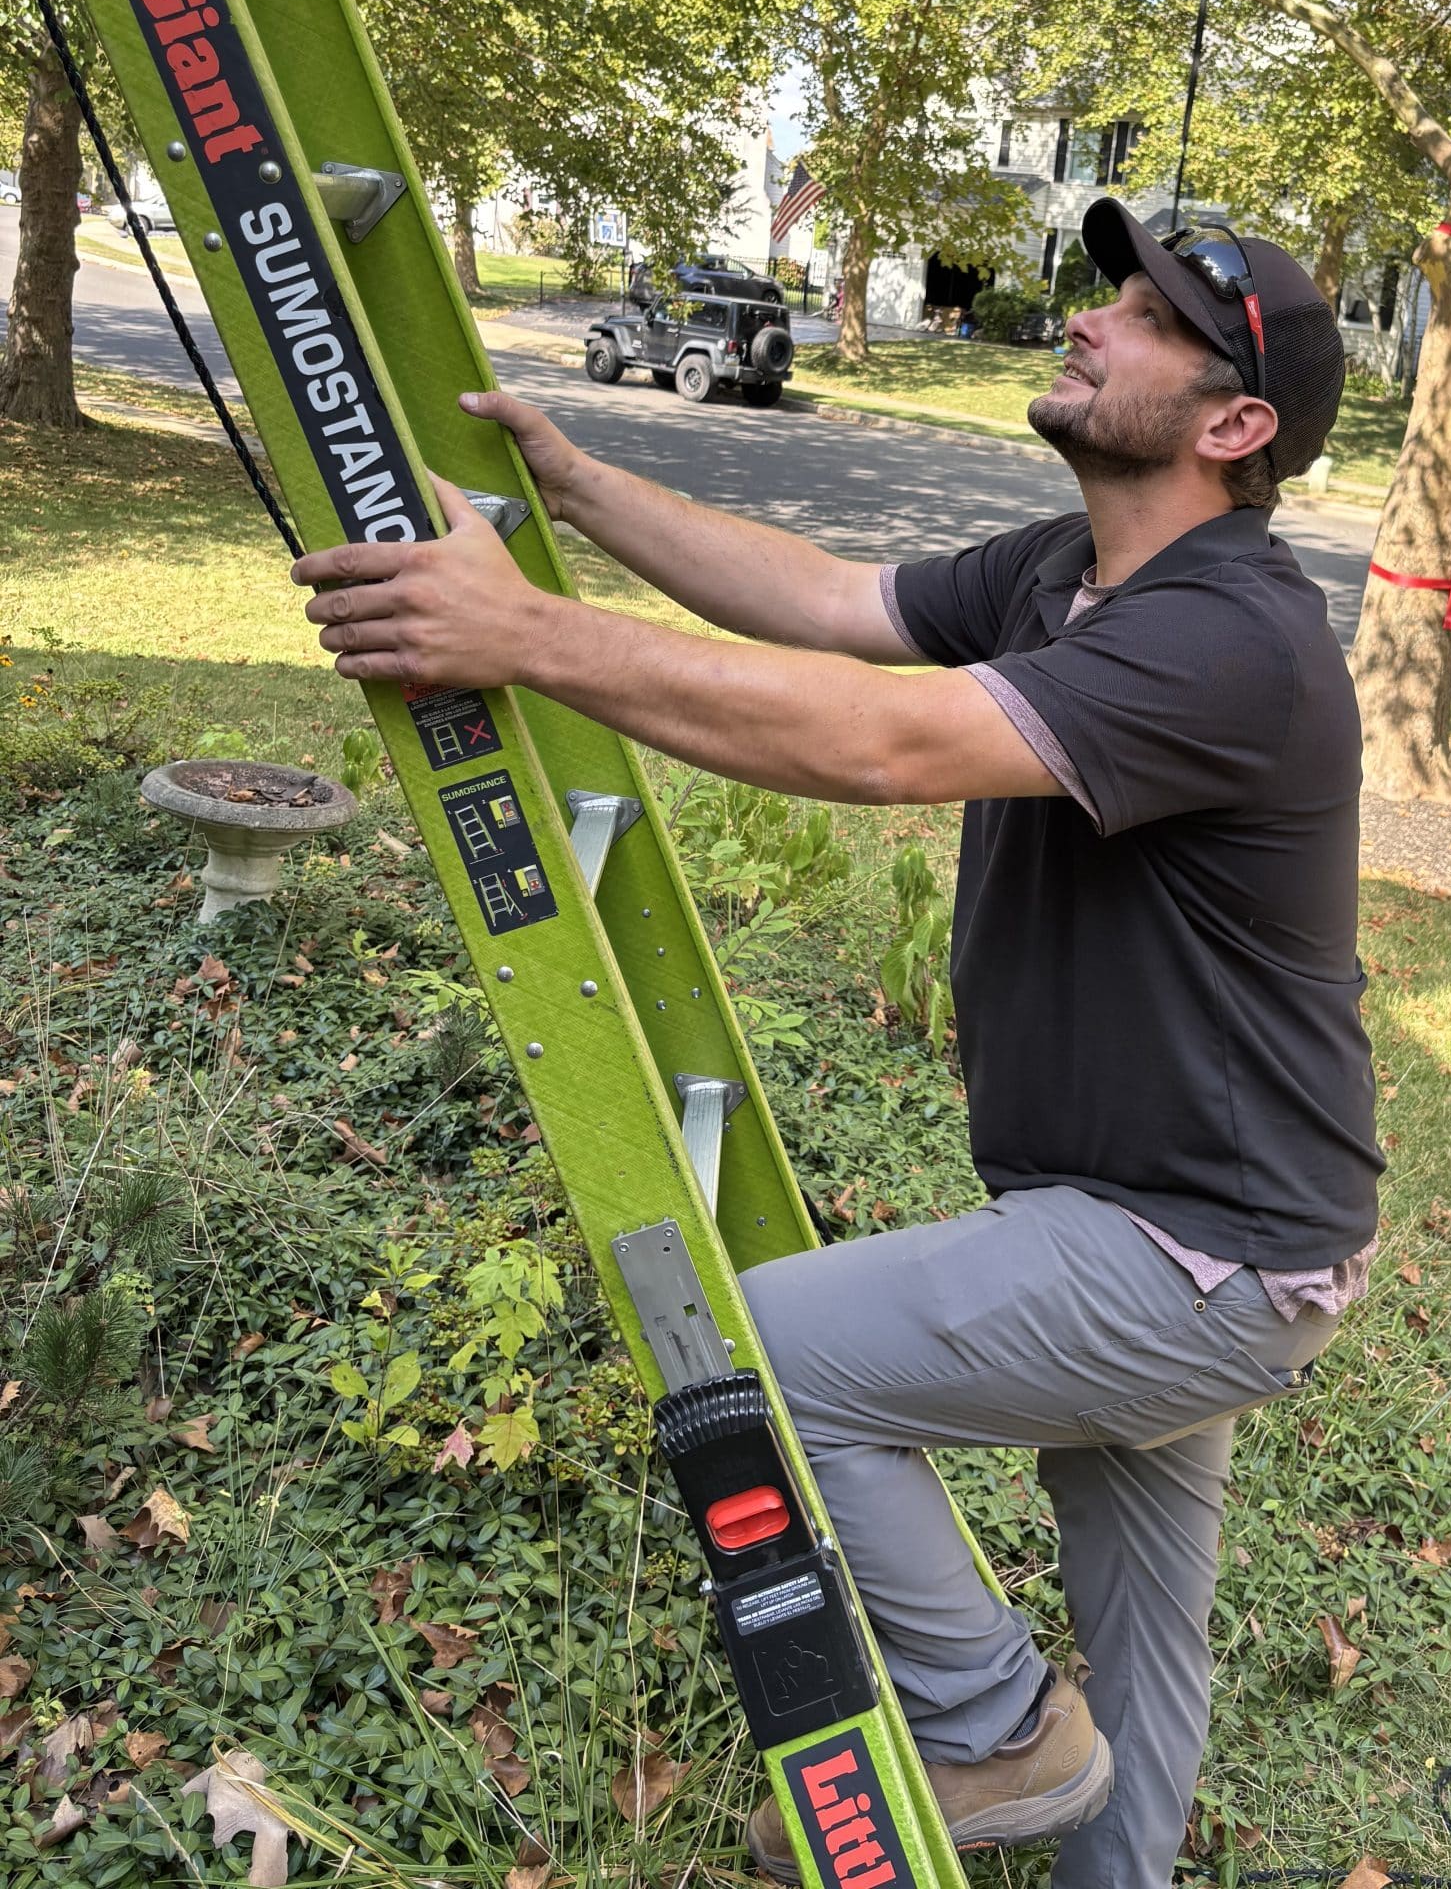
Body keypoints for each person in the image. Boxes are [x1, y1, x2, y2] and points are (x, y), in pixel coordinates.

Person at [294, 197, 1380, 1889]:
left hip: (1194, 1256)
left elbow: (884, 743)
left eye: (1148, 318)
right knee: (1151, 1642)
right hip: (1190, 1220)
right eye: (1108, 291)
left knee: (761, 1357)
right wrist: (579, 489)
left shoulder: (1235, 640)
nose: (1091, 320)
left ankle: (990, 1722)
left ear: (1235, 426)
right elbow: (823, 598)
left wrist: (530, 639)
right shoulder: (1063, 571)